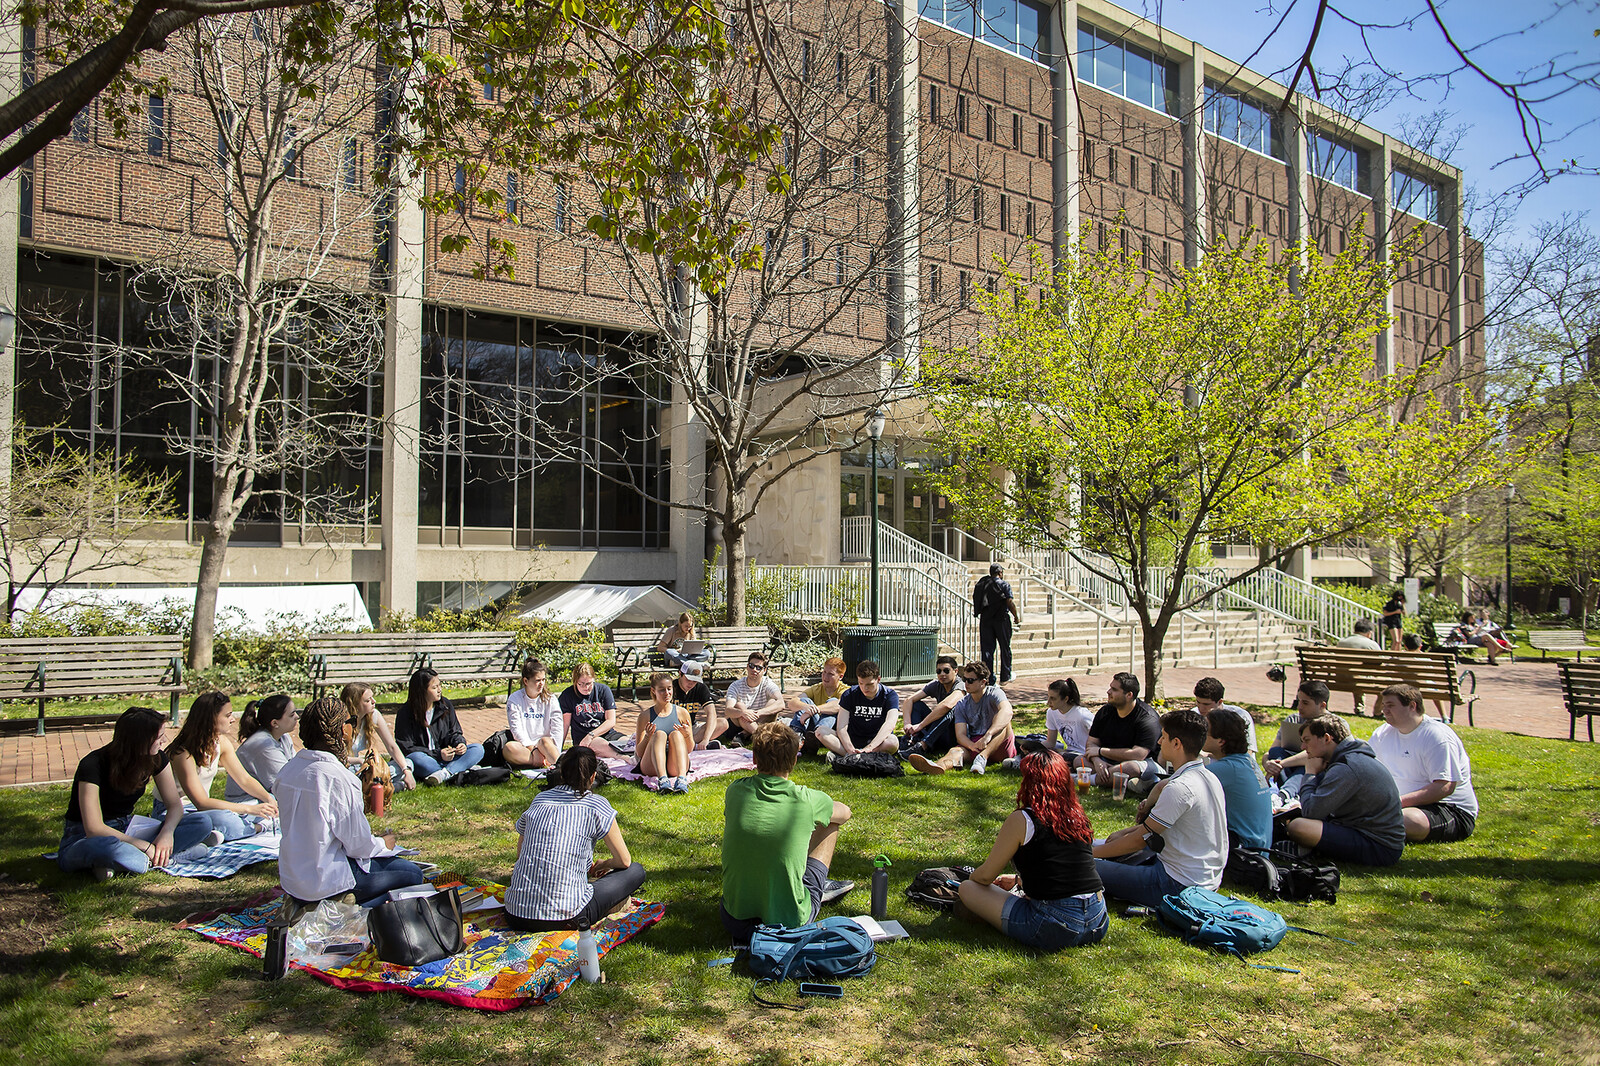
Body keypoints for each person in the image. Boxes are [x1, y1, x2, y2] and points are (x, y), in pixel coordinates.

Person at [275, 697, 427, 904]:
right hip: (327, 880)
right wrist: (383, 843)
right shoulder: (338, 777)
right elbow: (358, 846)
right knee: (412, 874)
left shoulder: (287, 771)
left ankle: (323, 904)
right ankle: (349, 909)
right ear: (343, 730)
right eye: (351, 722)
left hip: (293, 881)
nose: (353, 728)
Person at [956, 750, 1108, 951]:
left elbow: (984, 877)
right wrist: (1019, 881)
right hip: (1098, 919)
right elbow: (1064, 870)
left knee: (968, 888)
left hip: (1054, 924)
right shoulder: (1076, 814)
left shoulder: (1023, 819)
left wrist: (970, 878)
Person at [720, 722, 854, 944]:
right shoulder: (808, 799)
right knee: (830, 823)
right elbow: (845, 813)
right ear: (794, 760)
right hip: (788, 923)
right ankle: (814, 889)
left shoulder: (735, 791)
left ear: (754, 758)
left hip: (734, 919)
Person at [58, 707, 216, 880]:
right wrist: (145, 846)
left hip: (127, 830)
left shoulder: (157, 758)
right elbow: (94, 828)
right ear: (139, 741)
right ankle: (161, 858)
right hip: (87, 836)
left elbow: (174, 806)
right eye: (158, 737)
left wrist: (166, 834)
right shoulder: (93, 764)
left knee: (203, 822)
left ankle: (123, 863)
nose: (164, 740)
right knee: (103, 848)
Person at [1092, 708, 1228, 909]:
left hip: (1177, 884)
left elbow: (1139, 841)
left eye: (1163, 737)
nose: (1158, 742)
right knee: (1102, 847)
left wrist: (1090, 854)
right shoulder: (1208, 777)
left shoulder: (1180, 788)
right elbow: (1149, 831)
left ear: (1176, 743)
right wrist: (1122, 833)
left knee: (1083, 865)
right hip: (1204, 878)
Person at [503, 746, 647, 932]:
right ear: (593, 777)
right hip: (567, 917)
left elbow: (521, 854)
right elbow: (624, 860)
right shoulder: (596, 805)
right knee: (636, 870)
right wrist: (602, 864)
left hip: (516, 914)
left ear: (561, 772)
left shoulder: (540, 799)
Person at [1281, 714, 1405, 867]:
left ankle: (1307, 850)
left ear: (1326, 738)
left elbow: (1311, 812)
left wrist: (1310, 774)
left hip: (1379, 846)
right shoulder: (1351, 758)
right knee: (1295, 815)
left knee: (1298, 827)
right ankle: (1308, 848)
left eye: (1307, 740)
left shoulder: (1347, 767)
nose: (1303, 748)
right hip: (1366, 833)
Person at [159, 691, 278, 840]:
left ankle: (214, 835)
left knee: (263, 801)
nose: (233, 720)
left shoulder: (220, 742)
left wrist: (268, 798)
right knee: (223, 819)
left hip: (203, 810)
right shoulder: (182, 753)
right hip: (177, 812)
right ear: (211, 718)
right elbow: (201, 802)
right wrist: (249, 809)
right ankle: (258, 828)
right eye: (227, 715)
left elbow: (244, 779)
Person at [1369, 684, 1479, 843]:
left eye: (1391, 705)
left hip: (1448, 809)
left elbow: (1444, 787)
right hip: (1398, 805)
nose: (1384, 710)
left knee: (1407, 821)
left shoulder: (1436, 736)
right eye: (1384, 705)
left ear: (1412, 706)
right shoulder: (1382, 733)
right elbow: (1368, 767)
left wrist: (1395, 803)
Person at [907, 661, 1015, 775]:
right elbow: (960, 735)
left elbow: (1007, 711)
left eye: (970, 680)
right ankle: (936, 767)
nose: (966, 683)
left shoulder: (994, 693)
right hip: (976, 744)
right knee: (955, 751)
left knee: (1005, 722)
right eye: (964, 679)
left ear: (983, 682)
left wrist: (988, 735)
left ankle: (982, 758)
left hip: (999, 744)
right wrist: (971, 746)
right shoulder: (962, 703)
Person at [394, 668, 485, 786]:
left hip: (447, 757)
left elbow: (455, 732)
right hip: (426, 759)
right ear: (422, 691)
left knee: (477, 749)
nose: (439, 690)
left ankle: (444, 774)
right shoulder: (405, 713)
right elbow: (406, 747)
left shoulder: (445, 705)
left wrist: (459, 744)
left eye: (439, 685)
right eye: (434, 687)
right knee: (416, 758)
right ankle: (458, 770)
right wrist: (438, 754)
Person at [1202, 708, 1273, 850]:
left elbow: (1177, 785)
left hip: (1244, 854)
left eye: (1205, 731)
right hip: (1258, 848)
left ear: (1221, 741)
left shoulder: (1229, 768)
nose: (1200, 734)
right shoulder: (1246, 762)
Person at [1080, 672, 1161, 789]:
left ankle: (1084, 779)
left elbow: (1138, 754)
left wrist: (1100, 751)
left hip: (1141, 763)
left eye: (1114, 689)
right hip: (1108, 760)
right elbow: (1091, 743)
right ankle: (1121, 780)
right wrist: (1097, 761)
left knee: (1129, 768)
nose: (1108, 692)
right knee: (1079, 761)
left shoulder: (1147, 718)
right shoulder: (1105, 711)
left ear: (1129, 695)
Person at [818, 659, 901, 760]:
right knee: (821, 731)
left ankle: (851, 757)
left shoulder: (890, 695)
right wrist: (849, 748)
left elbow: (890, 724)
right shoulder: (849, 694)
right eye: (861, 683)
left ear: (878, 679)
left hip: (877, 742)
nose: (865, 688)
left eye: (869, 684)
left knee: (892, 742)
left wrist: (870, 747)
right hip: (852, 739)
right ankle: (855, 756)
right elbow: (841, 727)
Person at [342, 681, 416, 791]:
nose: (373, 701)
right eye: (368, 700)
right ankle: (391, 787)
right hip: (346, 768)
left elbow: (391, 746)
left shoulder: (374, 715)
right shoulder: (342, 722)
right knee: (350, 777)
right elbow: (337, 757)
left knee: (407, 763)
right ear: (355, 705)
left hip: (362, 768)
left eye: (372, 698)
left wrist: (407, 770)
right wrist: (359, 760)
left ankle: (374, 787)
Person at [226, 694, 298, 801]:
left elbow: (295, 771)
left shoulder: (284, 737)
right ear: (275, 723)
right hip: (247, 803)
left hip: (267, 797)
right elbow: (286, 784)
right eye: (292, 715)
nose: (297, 716)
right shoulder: (264, 746)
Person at [635, 671, 693, 792]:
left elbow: (690, 749)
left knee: (676, 734)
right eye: (662, 690)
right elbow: (639, 753)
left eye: (669, 689)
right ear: (653, 691)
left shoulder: (682, 713)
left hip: (674, 764)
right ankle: (663, 781)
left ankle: (682, 780)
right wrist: (648, 737)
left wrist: (687, 735)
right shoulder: (645, 716)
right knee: (659, 734)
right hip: (651, 765)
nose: (667, 693)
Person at [1262, 680, 1327, 785]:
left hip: (1314, 768)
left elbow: (1315, 756)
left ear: (1322, 705)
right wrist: (1268, 764)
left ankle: (1284, 793)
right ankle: (1284, 794)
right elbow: (1271, 751)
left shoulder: (1331, 724)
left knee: (1308, 763)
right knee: (1276, 751)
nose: (1299, 707)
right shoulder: (1293, 719)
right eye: (1299, 701)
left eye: (1305, 703)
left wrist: (1281, 764)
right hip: (1288, 767)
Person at [899, 655, 963, 759]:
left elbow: (947, 705)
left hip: (954, 734)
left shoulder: (961, 686)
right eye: (939, 671)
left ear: (955, 671)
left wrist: (920, 725)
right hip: (938, 732)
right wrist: (907, 724)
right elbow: (908, 700)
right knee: (916, 705)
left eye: (946, 671)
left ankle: (923, 746)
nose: (942, 674)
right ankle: (912, 739)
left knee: (948, 710)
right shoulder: (937, 684)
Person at [504, 658, 563, 770]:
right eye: (537, 680)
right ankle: (542, 761)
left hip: (546, 745)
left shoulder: (551, 699)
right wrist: (532, 748)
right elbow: (516, 729)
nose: (541, 684)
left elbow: (557, 728)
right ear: (526, 681)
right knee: (509, 748)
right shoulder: (515, 699)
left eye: (543, 680)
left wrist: (556, 749)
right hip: (526, 748)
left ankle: (558, 764)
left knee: (545, 741)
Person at [560, 662, 628, 757]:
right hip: (583, 737)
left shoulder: (604, 690)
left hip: (606, 733)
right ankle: (623, 757)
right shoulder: (567, 695)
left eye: (589, 683)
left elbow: (611, 721)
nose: (586, 687)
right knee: (602, 746)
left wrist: (591, 735)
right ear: (575, 682)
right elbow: (565, 725)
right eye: (581, 684)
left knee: (628, 743)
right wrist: (559, 748)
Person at [721, 651, 785, 742]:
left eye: (759, 668)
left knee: (773, 702)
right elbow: (728, 710)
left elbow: (781, 704)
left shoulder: (768, 684)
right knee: (739, 706)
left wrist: (758, 713)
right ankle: (763, 738)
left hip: (761, 720)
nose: (754, 669)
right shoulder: (735, 686)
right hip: (737, 724)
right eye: (751, 666)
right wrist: (743, 713)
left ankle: (744, 734)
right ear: (747, 667)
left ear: (764, 670)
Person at [974, 563, 1021, 683]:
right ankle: (1005, 676)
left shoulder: (983, 584)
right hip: (1001, 619)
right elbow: (1009, 601)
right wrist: (1016, 616)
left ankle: (989, 678)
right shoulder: (1004, 584)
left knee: (987, 650)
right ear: (1000, 573)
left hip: (986, 619)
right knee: (1005, 648)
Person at [785, 656, 848, 746]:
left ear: (840, 677)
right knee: (804, 701)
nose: (825, 677)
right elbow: (792, 703)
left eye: (830, 674)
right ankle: (796, 737)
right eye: (824, 672)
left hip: (831, 730)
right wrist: (806, 707)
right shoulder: (817, 688)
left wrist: (814, 710)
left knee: (832, 702)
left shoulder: (845, 691)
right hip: (813, 727)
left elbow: (838, 705)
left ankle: (817, 737)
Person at [1192, 676, 1256, 756]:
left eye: (1206, 704)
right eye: (1198, 702)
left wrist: (1208, 755)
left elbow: (1248, 752)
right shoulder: (1193, 715)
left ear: (1220, 702)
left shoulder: (1239, 715)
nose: (1201, 708)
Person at [1337, 618, 1384, 715]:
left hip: (1340, 678)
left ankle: (1360, 708)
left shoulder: (1341, 642)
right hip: (1360, 680)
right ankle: (1378, 711)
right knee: (1386, 683)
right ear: (1369, 633)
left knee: (1355, 674)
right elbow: (1381, 662)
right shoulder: (1370, 644)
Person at [673, 660, 722, 750]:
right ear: (680, 674)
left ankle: (690, 745)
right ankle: (691, 745)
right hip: (674, 728)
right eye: (688, 679)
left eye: (695, 681)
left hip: (692, 728)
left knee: (722, 723)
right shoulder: (671, 688)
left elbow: (711, 713)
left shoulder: (700, 687)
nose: (691, 683)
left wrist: (706, 739)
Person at [1043, 678, 1094, 759]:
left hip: (1085, 755)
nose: (1048, 702)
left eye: (1053, 698)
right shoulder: (1051, 713)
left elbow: (1100, 739)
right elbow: (1050, 742)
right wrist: (1033, 748)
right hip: (1068, 753)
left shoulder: (1082, 715)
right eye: (1048, 697)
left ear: (1066, 699)